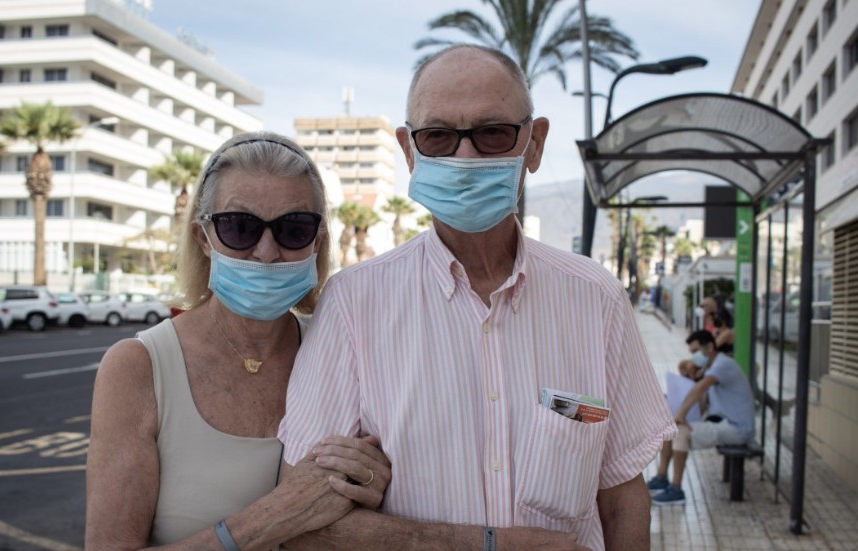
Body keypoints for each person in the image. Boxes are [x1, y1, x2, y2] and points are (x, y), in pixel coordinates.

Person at [277, 44, 676, 551]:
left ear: (533, 145)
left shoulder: (596, 298)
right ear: (409, 150)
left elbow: (621, 496)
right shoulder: (354, 303)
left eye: (492, 134)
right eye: (438, 136)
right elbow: (306, 516)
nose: (464, 157)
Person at [85, 132, 392, 550]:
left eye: (294, 228)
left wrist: (371, 487)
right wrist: (280, 513)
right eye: (240, 227)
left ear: (317, 241)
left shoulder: (343, 350)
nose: (266, 252)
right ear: (203, 238)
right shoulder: (138, 367)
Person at [647, 330, 755, 505]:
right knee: (670, 426)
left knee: (680, 431)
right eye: (692, 353)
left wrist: (680, 414)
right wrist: (690, 376)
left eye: (696, 351)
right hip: (723, 423)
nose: (694, 357)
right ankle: (661, 478)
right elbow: (702, 403)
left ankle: (676, 489)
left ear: (710, 347)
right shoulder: (712, 367)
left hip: (737, 428)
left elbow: (699, 390)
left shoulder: (723, 364)